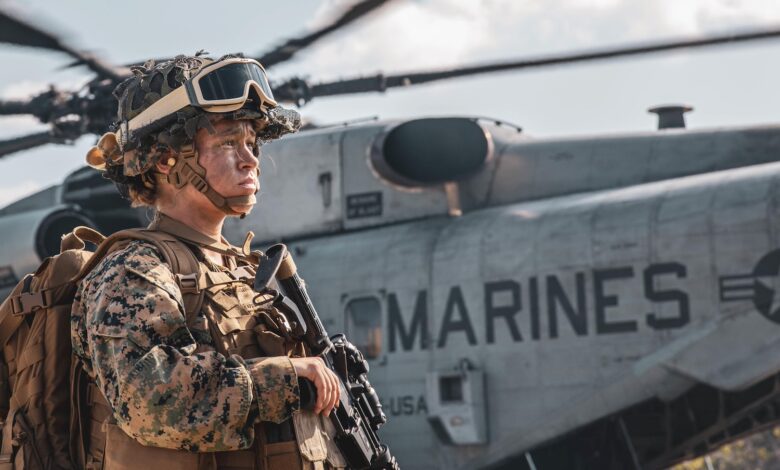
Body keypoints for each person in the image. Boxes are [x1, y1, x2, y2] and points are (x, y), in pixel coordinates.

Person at [71, 54, 346, 470]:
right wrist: (286, 379)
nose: (251, 159)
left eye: (251, 143)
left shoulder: (242, 271)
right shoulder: (135, 269)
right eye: (227, 143)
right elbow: (152, 401)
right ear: (166, 161)